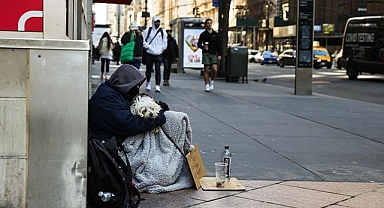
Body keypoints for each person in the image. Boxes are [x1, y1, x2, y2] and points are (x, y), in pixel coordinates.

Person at [88, 64, 167, 143]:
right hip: (110, 143)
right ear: (126, 83)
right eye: (136, 85)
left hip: (116, 138)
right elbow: (129, 125)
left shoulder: (114, 92)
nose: (137, 89)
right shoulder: (106, 98)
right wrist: (159, 116)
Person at [143, 16, 167, 92]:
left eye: (159, 22)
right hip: (149, 53)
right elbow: (143, 41)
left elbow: (164, 43)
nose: (158, 23)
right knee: (149, 69)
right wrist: (148, 47)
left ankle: (157, 85)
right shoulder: (148, 30)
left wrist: (161, 50)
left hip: (158, 54)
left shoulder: (163, 32)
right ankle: (148, 82)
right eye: (156, 22)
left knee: (158, 70)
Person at [198, 18, 222, 92]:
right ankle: (207, 85)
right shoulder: (203, 35)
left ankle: (212, 80)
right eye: (208, 23)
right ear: (205, 24)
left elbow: (219, 45)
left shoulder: (215, 34)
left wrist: (219, 54)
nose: (209, 24)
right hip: (206, 54)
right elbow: (199, 44)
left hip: (214, 53)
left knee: (214, 69)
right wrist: (203, 47)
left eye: (210, 23)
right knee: (206, 69)